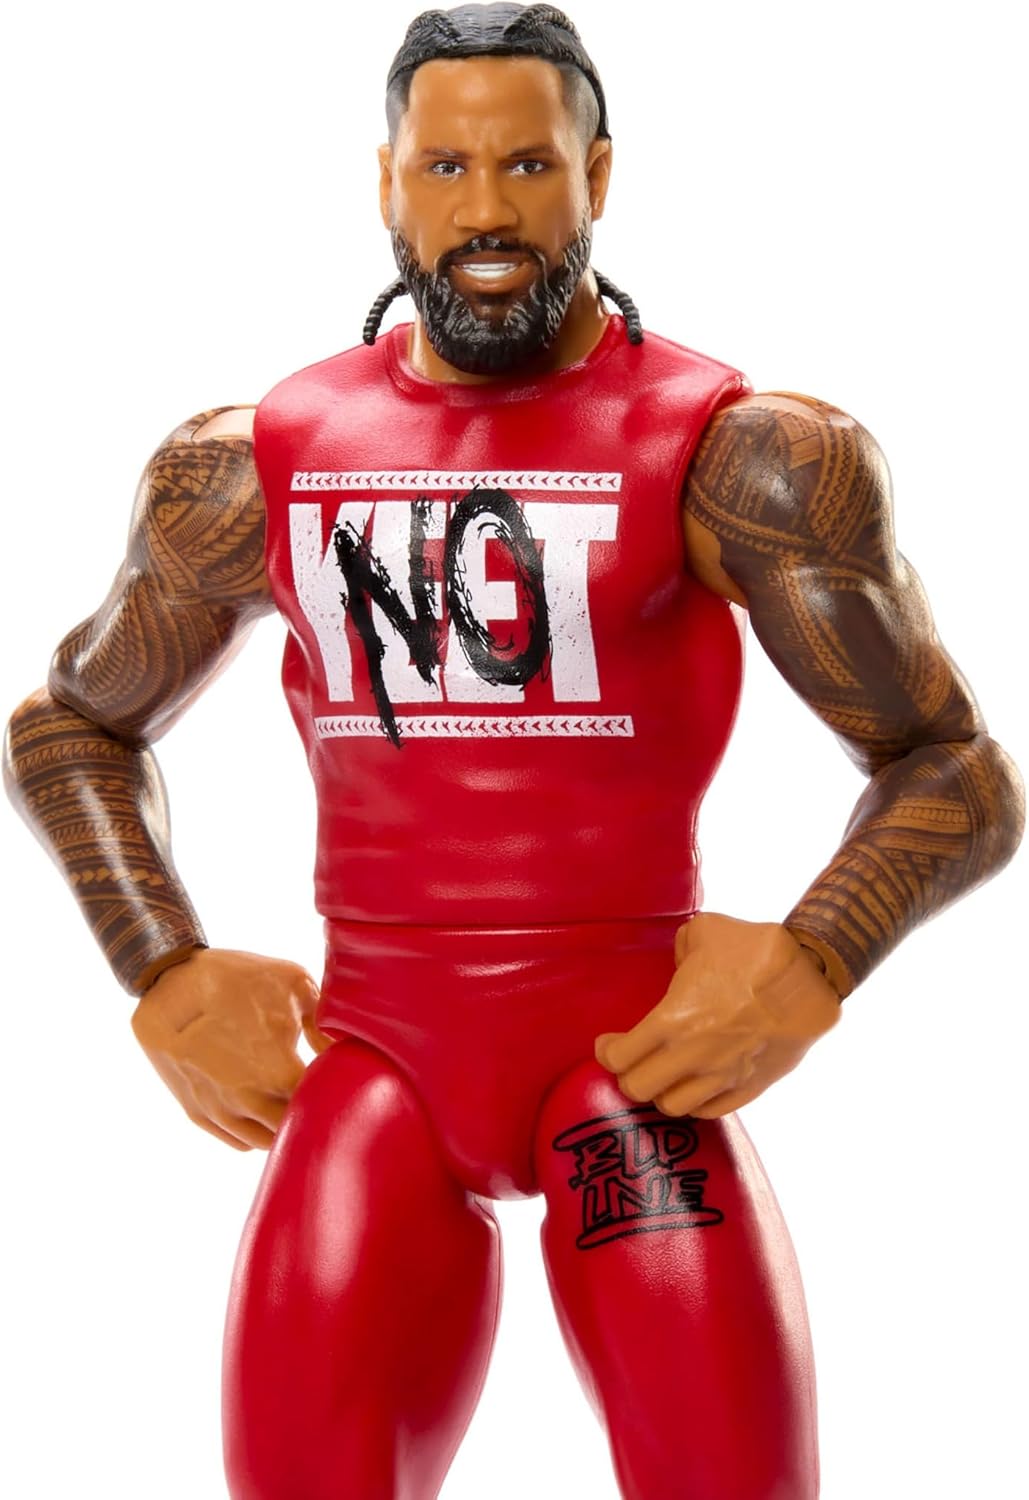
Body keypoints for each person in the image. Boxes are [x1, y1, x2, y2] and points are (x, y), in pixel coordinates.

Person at [3, 5, 1023, 1498]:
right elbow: (71, 722)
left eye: (529, 165)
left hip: (631, 1071)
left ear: (597, 175)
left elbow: (954, 765)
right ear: (386, 182)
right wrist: (159, 962)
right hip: (381, 1077)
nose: (485, 210)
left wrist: (817, 956)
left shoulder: (738, 456)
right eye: (447, 167)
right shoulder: (252, 463)